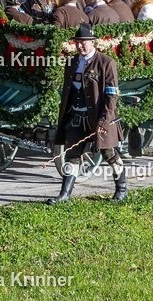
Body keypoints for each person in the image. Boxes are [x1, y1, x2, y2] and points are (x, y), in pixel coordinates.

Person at [47, 23, 127, 204]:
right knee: (72, 155)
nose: (80, 46)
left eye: (84, 42)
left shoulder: (106, 63)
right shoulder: (72, 62)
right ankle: (65, 194)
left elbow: (112, 95)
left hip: (99, 120)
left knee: (110, 155)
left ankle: (121, 189)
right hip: (76, 117)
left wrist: (104, 120)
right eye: (77, 42)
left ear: (93, 42)